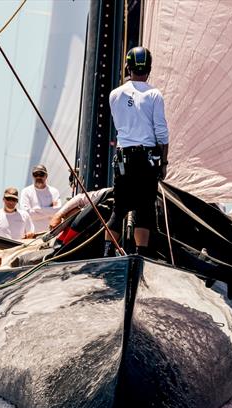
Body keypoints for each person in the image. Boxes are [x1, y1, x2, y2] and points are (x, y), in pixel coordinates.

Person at [104, 46, 169, 257]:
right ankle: (140, 255)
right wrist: (164, 162)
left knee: (119, 209)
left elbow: (121, 123)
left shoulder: (115, 94)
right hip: (146, 160)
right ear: (149, 68)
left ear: (127, 67)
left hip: (123, 158)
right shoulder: (154, 94)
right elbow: (161, 133)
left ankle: (107, 253)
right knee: (145, 210)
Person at [20, 164, 61, 233]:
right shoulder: (26, 192)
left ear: (46, 176)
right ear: (33, 176)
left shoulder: (54, 192)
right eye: (36, 175)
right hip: (31, 234)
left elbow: (57, 211)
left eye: (41, 174)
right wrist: (49, 210)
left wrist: (36, 209)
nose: (38, 177)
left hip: (50, 234)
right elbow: (26, 213)